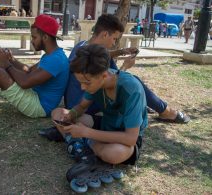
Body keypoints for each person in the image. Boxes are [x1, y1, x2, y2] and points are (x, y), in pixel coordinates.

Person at [40, 14, 190, 142]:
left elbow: (105, 64)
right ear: (105, 34)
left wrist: (121, 51)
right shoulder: (88, 56)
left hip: (83, 98)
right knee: (134, 82)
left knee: (122, 76)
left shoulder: (83, 46)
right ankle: (165, 111)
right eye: (114, 39)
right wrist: (124, 67)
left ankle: (150, 107)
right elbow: (108, 81)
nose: (114, 43)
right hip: (84, 101)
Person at [51, 44, 147, 165]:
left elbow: (130, 138)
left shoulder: (132, 89)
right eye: (80, 82)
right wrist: (71, 115)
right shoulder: (96, 82)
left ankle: (77, 142)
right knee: (57, 113)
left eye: (86, 83)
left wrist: (86, 132)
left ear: (104, 75)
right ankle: (81, 143)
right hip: (105, 125)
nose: (82, 87)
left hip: (123, 137)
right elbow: (81, 106)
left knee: (115, 153)